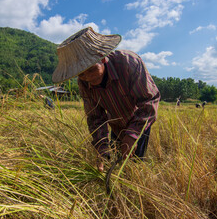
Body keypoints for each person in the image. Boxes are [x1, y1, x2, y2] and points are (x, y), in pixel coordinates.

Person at [52, 27, 160, 172]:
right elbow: (95, 116)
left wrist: (132, 135)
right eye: (82, 74)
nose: (88, 77)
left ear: (102, 57)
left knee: (134, 164)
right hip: (115, 123)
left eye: (91, 70)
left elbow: (149, 100)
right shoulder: (84, 82)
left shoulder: (129, 63)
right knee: (115, 162)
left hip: (139, 120)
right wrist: (102, 148)